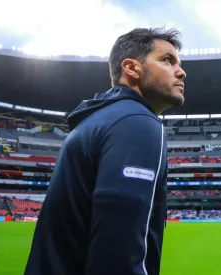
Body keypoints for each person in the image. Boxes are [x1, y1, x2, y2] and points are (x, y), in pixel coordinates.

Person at [24, 27, 186, 275]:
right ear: (132, 68)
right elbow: (118, 255)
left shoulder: (97, 120)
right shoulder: (137, 122)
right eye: (167, 60)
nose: (181, 72)